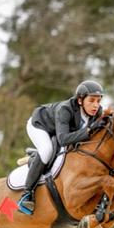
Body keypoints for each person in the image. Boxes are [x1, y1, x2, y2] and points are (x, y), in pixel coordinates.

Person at [18, 80, 108, 215]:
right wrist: (89, 130)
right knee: (47, 150)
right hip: (39, 125)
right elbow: (63, 139)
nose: (96, 105)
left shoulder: (97, 112)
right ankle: (27, 194)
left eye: (98, 101)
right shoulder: (65, 109)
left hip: (58, 129)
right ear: (80, 100)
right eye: (91, 100)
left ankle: (36, 155)